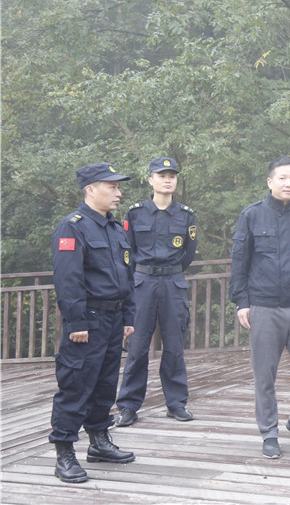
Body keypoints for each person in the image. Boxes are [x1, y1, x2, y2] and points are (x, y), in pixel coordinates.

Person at [229, 156, 290, 459]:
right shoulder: (251, 215)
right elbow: (240, 261)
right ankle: (269, 432)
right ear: (270, 181)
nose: (289, 183)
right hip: (264, 306)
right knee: (265, 375)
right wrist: (242, 302)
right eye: (283, 178)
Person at [50, 162, 137, 483]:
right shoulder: (72, 227)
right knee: (76, 385)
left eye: (118, 186)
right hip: (88, 319)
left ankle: (99, 441)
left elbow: (127, 276)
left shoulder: (115, 228)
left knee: (104, 384)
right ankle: (64, 452)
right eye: (111, 187)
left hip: (114, 319)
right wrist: (76, 323)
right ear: (90, 189)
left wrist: (128, 316)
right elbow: (68, 280)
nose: (118, 192)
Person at [115, 157, 197, 426]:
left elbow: (189, 253)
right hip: (142, 284)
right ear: (150, 180)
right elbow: (127, 250)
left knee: (174, 347)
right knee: (137, 347)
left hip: (173, 283)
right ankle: (128, 406)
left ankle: (176, 404)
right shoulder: (135, 213)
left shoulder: (186, 214)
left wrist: (171, 271)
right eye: (162, 175)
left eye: (172, 175)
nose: (167, 180)